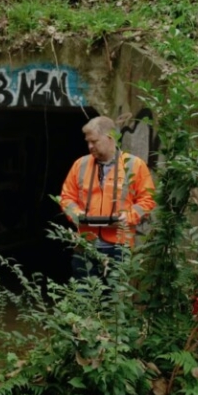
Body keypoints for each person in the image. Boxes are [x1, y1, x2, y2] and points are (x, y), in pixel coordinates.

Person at [59, 115, 156, 283]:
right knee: (84, 296)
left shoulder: (135, 165)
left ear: (109, 137)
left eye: (94, 141)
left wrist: (129, 216)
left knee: (115, 300)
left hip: (119, 247)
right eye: (88, 142)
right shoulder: (80, 165)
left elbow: (147, 200)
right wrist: (76, 214)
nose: (90, 146)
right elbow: (67, 197)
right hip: (85, 245)